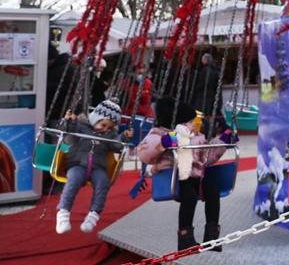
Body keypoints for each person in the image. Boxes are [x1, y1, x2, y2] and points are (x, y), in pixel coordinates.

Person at [138, 96, 237, 251]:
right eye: (190, 122)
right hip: (172, 176)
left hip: (194, 175)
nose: (194, 125)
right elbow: (144, 153)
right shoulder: (159, 134)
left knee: (213, 191)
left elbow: (207, 158)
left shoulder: (196, 138)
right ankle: (185, 238)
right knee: (189, 196)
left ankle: (211, 237)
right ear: (178, 123)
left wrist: (223, 141)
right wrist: (162, 144)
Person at [55, 100, 132, 234]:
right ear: (96, 118)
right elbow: (69, 139)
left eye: (110, 128)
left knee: (104, 182)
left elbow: (117, 146)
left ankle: (93, 215)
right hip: (77, 164)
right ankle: (63, 213)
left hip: (98, 168)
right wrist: (71, 123)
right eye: (103, 125)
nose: (105, 129)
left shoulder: (111, 135)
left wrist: (123, 138)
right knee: (73, 180)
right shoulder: (81, 127)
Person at [192, 53, 227, 135]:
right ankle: (220, 130)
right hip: (214, 97)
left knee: (200, 114)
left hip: (206, 97)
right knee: (215, 115)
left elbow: (204, 85)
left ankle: (207, 131)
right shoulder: (216, 70)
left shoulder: (206, 71)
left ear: (205, 60)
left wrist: (197, 91)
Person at [46, 44, 77, 120]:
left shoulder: (65, 68)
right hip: (55, 105)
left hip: (59, 106)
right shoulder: (58, 66)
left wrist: (47, 86)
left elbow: (71, 87)